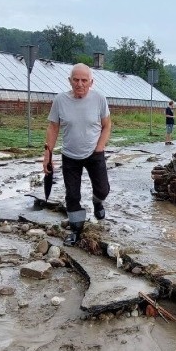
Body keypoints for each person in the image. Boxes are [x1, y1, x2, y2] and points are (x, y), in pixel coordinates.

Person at [44, 63, 111, 246]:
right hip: (70, 156)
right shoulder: (60, 100)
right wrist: (47, 155)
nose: (80, 84)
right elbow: (53, 127)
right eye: (76, 80)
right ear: (70, 81)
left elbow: (107, 125)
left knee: (103, 189)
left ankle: (97, 202)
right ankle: (76, 229)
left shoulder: (99, 99)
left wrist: (100, 147)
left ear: (91, 82)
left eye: (84, 80)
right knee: (72, 196)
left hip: (94, 152)